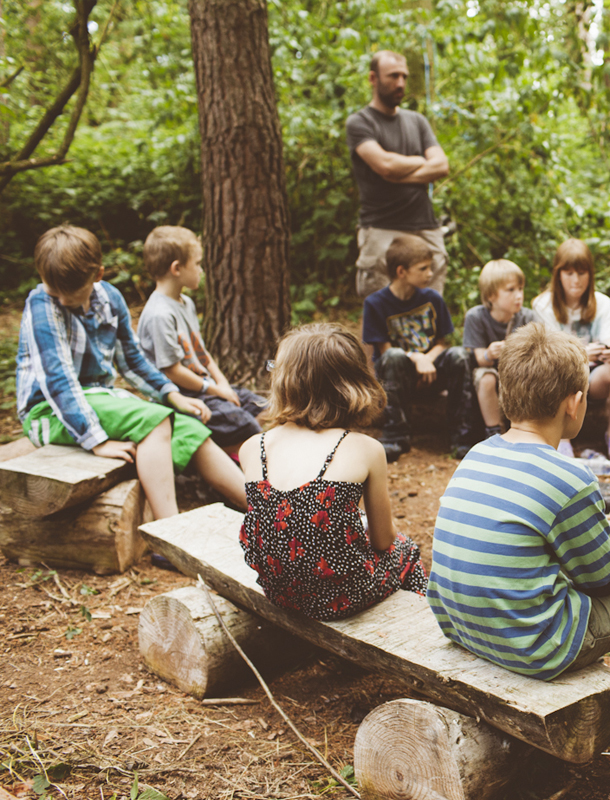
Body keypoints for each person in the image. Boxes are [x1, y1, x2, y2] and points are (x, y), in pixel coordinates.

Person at [427, 323, 610, 777]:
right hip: (534, 645)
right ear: (574, 403)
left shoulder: (476, 454)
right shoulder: (569, 478)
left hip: (461, 626)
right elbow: (606, 578)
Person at [15, 225, 245, 520]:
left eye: (68, 293)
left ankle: (268, 515)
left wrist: (172, 395)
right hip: (48, 412)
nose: (59, 300)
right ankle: (168, 533)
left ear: (98, 275)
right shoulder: (41, 305)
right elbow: (59, 382)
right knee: (155, 422)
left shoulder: (109, 298)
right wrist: (95, 440)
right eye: (52, 290)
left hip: (99, 400)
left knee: (190, 430)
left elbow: (133, 360)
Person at [239, 324, 427, 621]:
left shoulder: (252, 448)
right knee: (407, 549)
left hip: (280, 593)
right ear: (353, 385)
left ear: (283, 382)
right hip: (341, 598)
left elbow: (279, 521)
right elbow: (382, 541)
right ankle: (420, 627)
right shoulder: (365, 449)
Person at [136, 225, 266, 456]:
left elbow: (202, 354)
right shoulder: (159, 315)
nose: (201, 270)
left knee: (266, 409)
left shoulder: (186, 303)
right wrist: (214, 390)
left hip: (207, 389)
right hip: (183, 397)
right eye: (197, 264)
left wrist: (222, 385)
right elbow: (172, 371)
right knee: (246, 425)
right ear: (176, 268)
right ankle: (234, 462)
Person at [361, 232, 473, 461]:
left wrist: (427, 360)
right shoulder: (375, 304)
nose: (430, 274)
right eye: (423, 268)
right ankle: (395, 436)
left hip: (432, 371)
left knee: (460, 355)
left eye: (430, 267)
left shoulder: (432, 298)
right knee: (393, 356)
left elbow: (442, 343)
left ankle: (462, 437)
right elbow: (384, 350)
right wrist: (417, 359)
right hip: (399, 375)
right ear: (401, 271)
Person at [347, 50, 450, 297]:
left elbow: (441, 166)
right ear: (373, 78)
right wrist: (418, 162)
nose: (401, 83)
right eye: (393, 76)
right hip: (381, 228)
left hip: (424, 227)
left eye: (404, 76)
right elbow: (384, 165)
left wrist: (397, 173)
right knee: (382, 317)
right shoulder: (360, 122)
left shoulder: (417, 121)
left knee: (430, 312)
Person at [532, 238, 610, 459]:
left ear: (590, 274)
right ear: (558, 274)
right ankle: (562, 439)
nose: (576, 280)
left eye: (581, 273)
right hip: (558, 378)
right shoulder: (543, 305)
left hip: (593, 377)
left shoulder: (602, 303)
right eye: (569, 273)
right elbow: (548, 354)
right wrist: (580, 353)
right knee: (555, 371)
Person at [462, 259, 536, 439]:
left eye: (520, 289)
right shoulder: (476, 316)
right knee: (486, 377)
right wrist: (489, 353)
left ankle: (527, 432)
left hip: (519, 372)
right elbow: (480, 358)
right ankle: (493, 432)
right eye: (511, 290)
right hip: (489, 373)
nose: (518, 295)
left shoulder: (528, 316)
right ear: (491, 296)